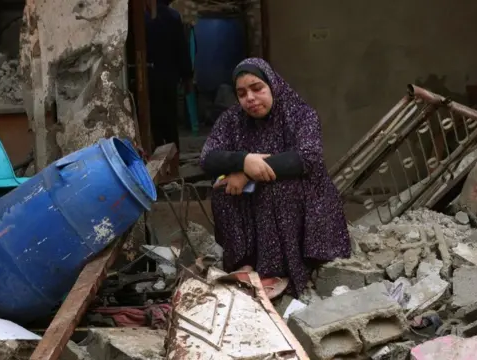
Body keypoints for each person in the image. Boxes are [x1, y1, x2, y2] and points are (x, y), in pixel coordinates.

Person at [200, 58, 351, 297]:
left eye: (257, 88)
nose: (250, 98)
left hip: (306, 195)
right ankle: (245, 262)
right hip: (257, 191)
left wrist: (248, 171)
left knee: (276, 188)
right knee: (224, 189)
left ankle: (280, 270)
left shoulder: (301, 114)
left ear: (273, 84)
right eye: (242, 93)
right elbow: (208, 159)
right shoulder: (232, 120)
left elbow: (307, 158)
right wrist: (243, 161)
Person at [145, 0, 193, 151]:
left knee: (154, 121)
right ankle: (172, 158)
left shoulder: (140, 16)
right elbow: (182, 50)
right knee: (169, 121)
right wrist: (187, 77)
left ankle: (159, 156)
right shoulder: (171, 16)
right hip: (166, 77)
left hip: (150, 76)